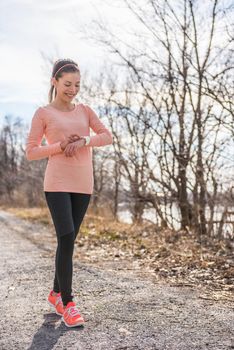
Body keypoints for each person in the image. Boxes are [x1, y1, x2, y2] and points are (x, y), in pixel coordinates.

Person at [25, 58, 113, 327]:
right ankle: (69, 303)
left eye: (76, 84)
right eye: (67, 84)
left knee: (69, 240)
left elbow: (106, 136)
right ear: (54, 82)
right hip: (57, 183)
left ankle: (55, 293)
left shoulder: (85, 110)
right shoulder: (43, 113)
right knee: (65, 235)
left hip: (83, 183)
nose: (73, 89)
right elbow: (31, 152)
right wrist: (59, 146)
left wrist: (85, 140)